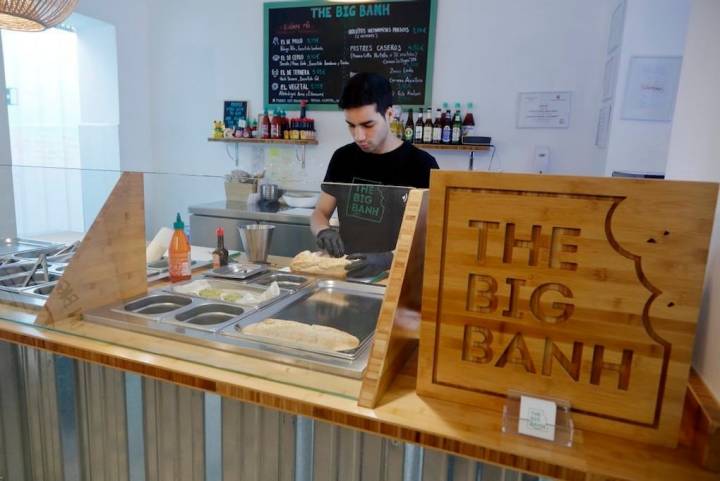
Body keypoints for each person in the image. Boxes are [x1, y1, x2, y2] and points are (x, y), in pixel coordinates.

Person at [310, 72, 439, 278]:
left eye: (368, 125)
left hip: (402, 277)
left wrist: (388, 258)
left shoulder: (421, 164)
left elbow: (430, 234)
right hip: (349, 273)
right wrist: (323, 231)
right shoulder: (343, 158)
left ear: (389, 114)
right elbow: (320, 212)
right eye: (351, 126)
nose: (358, 136)